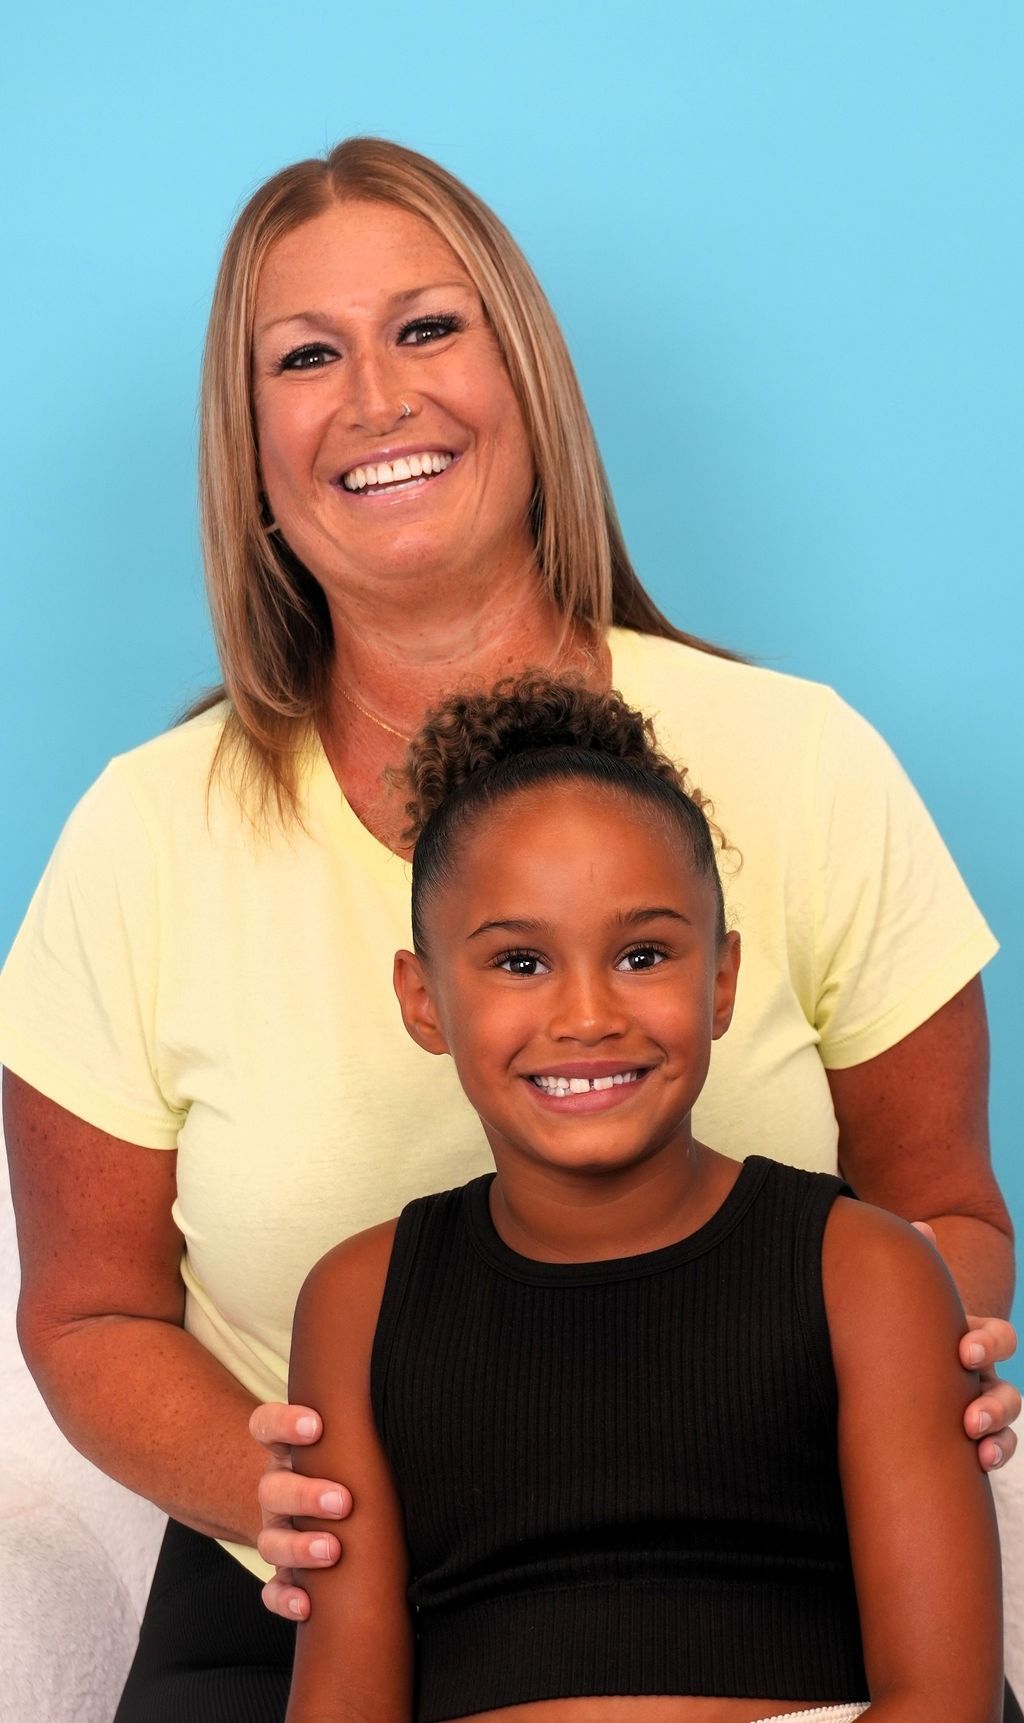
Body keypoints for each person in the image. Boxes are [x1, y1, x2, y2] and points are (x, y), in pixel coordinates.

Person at [0, 136, 1015, 1721]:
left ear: (523, 377)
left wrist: (890, 1385)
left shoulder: (804, 757)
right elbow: (88, 1306)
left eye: (427, 327)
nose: (378, 399)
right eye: (308, 356)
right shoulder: (142, 835)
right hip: (321, 1574)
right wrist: (303, 1508)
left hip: (778, 1549)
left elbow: (943, 1206)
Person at [283, 673, 1002, 1723]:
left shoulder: (868, 1269)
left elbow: (942, 1698)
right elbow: (344, 1697)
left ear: (720, 981)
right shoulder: (358, 1301)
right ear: (423, 999)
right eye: (520, 960)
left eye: (642, 954)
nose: (585, 1013)